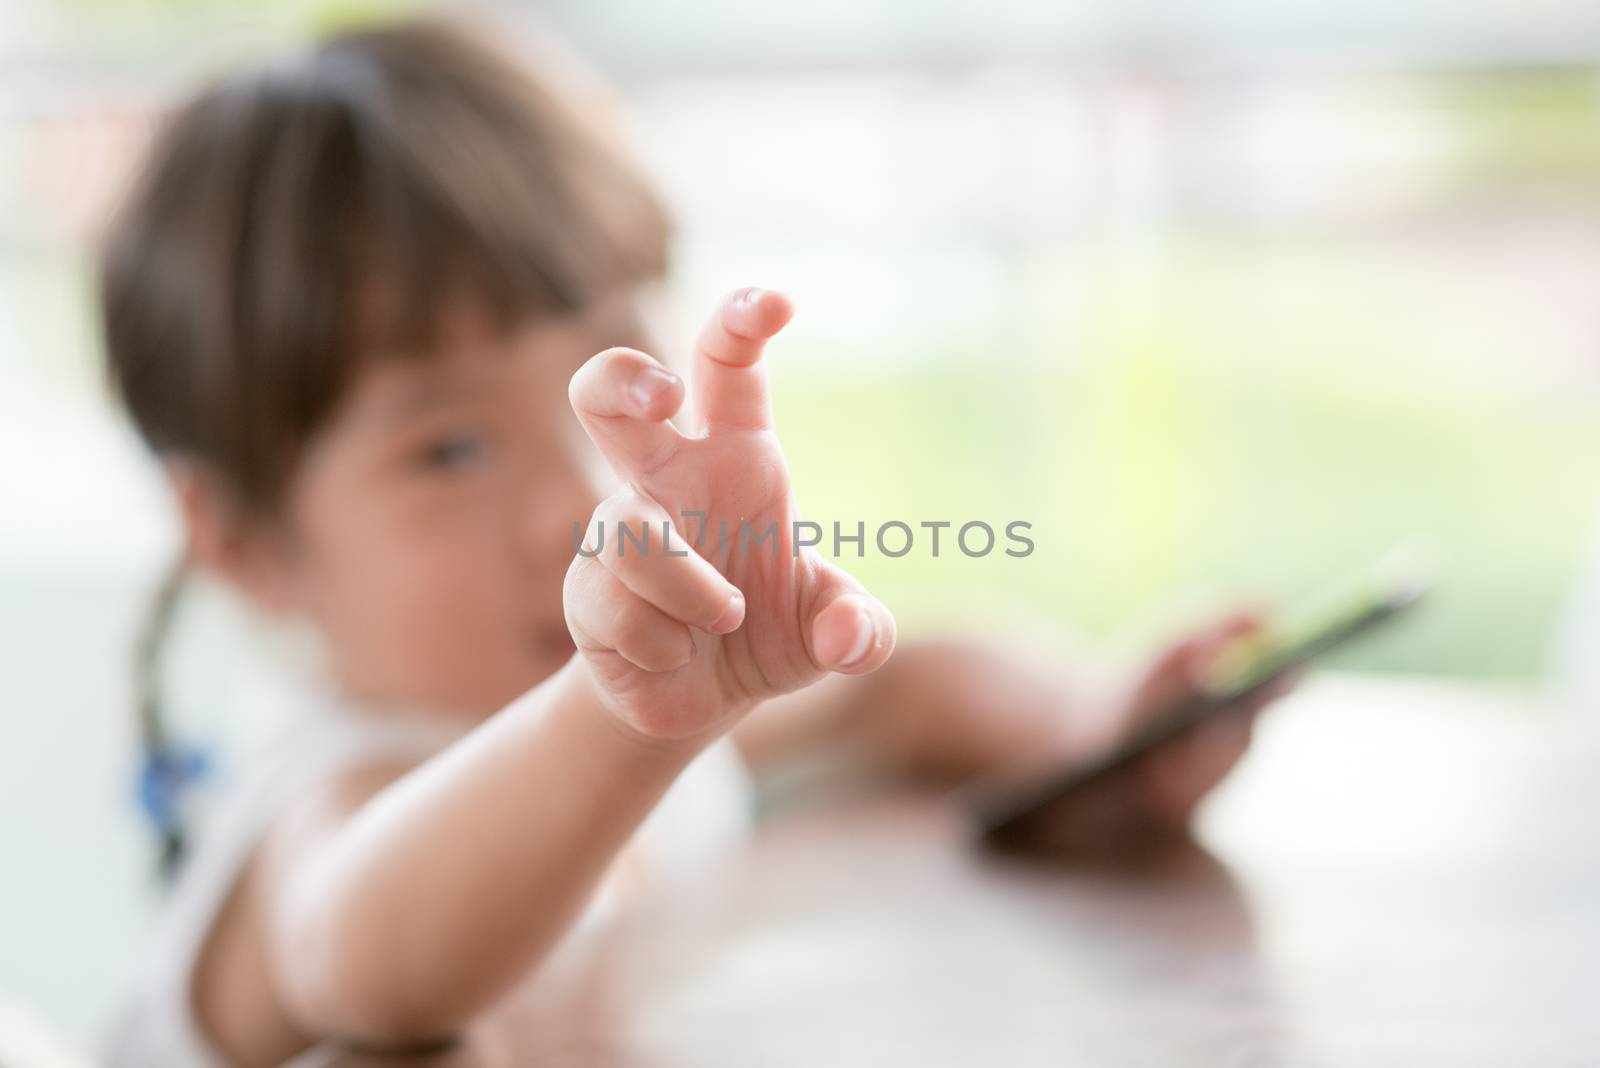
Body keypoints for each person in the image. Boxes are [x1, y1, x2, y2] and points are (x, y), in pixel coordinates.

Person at [98, 17, 1287, 1068]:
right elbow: (371, 968)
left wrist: (1092, 727)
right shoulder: (332, 790)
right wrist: (623, 719)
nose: (571, 499)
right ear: (246, 543)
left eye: (613, 384)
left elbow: (904, 692)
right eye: (452, 449)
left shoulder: (626, 713)